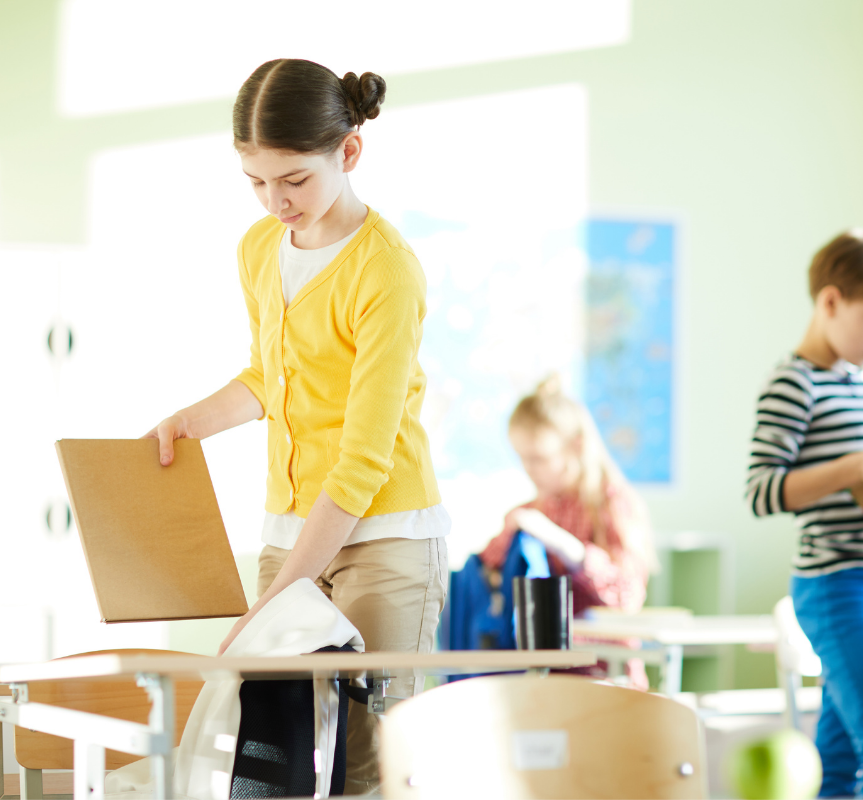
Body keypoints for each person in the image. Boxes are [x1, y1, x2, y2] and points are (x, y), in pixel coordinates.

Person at [145, 58, 448, 794]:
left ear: (348, 153)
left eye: (294, 180)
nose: (276, 202)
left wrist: (282, 592)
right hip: (291, 530)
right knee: (273, 744)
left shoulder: (387, 272)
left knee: (370, 760)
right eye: (256, 182)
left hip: (385, 535)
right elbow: (268, 377)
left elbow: (364, 460)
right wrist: (193, 421)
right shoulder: (258, 251)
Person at [746, 229, 863, 797]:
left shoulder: (861, 384)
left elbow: (860, 482)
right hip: (838, 587)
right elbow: (762, 490)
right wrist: (856, 467)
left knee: (839, 750)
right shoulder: (792, 383)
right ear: (830, 302)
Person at [481, 376, 656, 620]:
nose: (528, 469)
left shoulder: (614, 503)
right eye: (522, 458)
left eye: (539, 458)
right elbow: (483, 570)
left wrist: (568, 548)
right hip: (548, 655)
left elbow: (629, 595)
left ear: (577, 445)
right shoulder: (533, 511)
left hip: (602, 655)